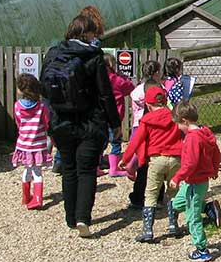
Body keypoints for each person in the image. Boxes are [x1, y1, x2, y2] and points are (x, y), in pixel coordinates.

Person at [41, 13, 121, 237]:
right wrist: (114, 123)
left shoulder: (53, 54)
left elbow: (45, 90)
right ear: (86, 34)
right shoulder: (93, 55)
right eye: (93, 32)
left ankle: (69, 217)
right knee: (86, 170)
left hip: (61, 121)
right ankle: (83, 218)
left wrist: (50, 121)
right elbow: (105, 94)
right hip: (90, 121)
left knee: (69, 169)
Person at [119, 86, 184, 243]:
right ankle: (173, 224)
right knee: (173, 191)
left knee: (151, 194)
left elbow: (136, 141)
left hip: (156, 160)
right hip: (175, 158)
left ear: (148, 105)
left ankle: (148, 230)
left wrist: (126, 159)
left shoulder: (147, 120)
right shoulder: (173, 117)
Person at [169, 102, 221, 262]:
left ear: (184, 121)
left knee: (192, 217)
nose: (177, 128)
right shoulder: (205, 133)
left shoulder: (192, 138)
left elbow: (190, 164)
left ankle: (202, 249)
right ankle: (208, 207)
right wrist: (213, 169)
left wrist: (177, 177)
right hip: (197, 180)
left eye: (178, 124)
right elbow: (216, 153)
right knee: (177, 204)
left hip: (194, 180)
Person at [12, 74, 51, 211]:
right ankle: (38, 198)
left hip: (23, 144)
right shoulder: (41, 107)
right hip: (38, 144)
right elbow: (46, 123)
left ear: (21, 90)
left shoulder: (17, 106)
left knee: (27, 169)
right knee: (37, 172)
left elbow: (18, 123)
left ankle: (26, 196)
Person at [126, 60, 162, 209]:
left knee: (144, 161)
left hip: (140, 124)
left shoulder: (138, 90)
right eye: (159, 72)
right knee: (150, 163)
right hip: (151, 126)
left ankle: (139, 197)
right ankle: (156, 197)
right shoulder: (157, 89)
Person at [102, 53, 133, 177]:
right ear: (111, 65)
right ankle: (114, 169)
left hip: (101, 116)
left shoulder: (98, 79)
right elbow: (131, 87)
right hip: (115, 116)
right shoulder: (117, 80)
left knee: (100, 142)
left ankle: (96, 167)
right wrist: (124, 77)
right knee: (115, 141)